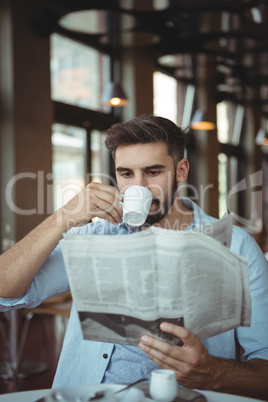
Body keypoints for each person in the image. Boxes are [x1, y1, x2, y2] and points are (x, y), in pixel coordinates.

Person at [0, 114, 267, 399]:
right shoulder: (96, 236)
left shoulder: (236, 248)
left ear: (181, 170)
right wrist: (62, 218)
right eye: (126, 174)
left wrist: (214, 372)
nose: (138, 187)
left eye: (153, 172)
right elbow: (5, 290)